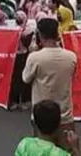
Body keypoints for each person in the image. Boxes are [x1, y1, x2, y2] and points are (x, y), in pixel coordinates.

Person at [22, 18, 77, 149]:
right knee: (67, 150)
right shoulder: (71, 57)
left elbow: (25, 78)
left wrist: (32, 52)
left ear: (39, 35)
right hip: (65, 115)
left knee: (41, 151)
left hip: (41, 117)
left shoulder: (35, 57)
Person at [14, 100, 81, 156]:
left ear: (34, 124)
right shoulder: (59, 154)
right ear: (58, 126)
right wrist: (75, 148)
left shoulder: (24, 144)